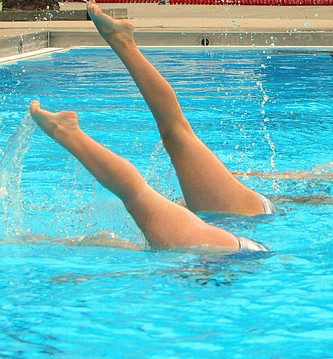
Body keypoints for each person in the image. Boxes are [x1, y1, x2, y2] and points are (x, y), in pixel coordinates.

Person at [87, 0, 274, 217]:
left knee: (174, 137)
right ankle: (123, 43)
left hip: (233, 220)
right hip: (244, 214)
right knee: (175, 134)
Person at [29, 101, 266, 253]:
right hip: (228, 254)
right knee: (138, 193)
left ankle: (68, 132)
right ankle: (68, 132)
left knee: (138, 200)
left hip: (229, 254)